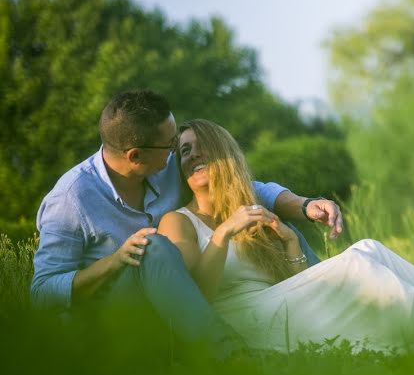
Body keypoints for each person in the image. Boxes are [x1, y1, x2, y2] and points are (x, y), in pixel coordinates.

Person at [156, 119, 414, 354]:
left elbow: (296, 285)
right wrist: (222, 233)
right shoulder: (178, 222)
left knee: (369, 248)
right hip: (240, 321)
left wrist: (290, 244)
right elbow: (197, 298)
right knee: (357, 265)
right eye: (184, 150)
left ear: (224, 154)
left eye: (201, 147)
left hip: (276, 308)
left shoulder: (249, 206)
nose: (192, 155)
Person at [30, 90, 343, 354]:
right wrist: (113, 263)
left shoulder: (162, 163)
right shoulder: (71, 199)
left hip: (179, 298)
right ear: (135, 156)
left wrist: (303, 205)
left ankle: (334, 304)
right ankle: (231, 355)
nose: (175, 151)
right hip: (116, 313)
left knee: (278, 225)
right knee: (151, 244)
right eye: (170, 146)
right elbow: (42, 291)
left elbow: (249, 189)